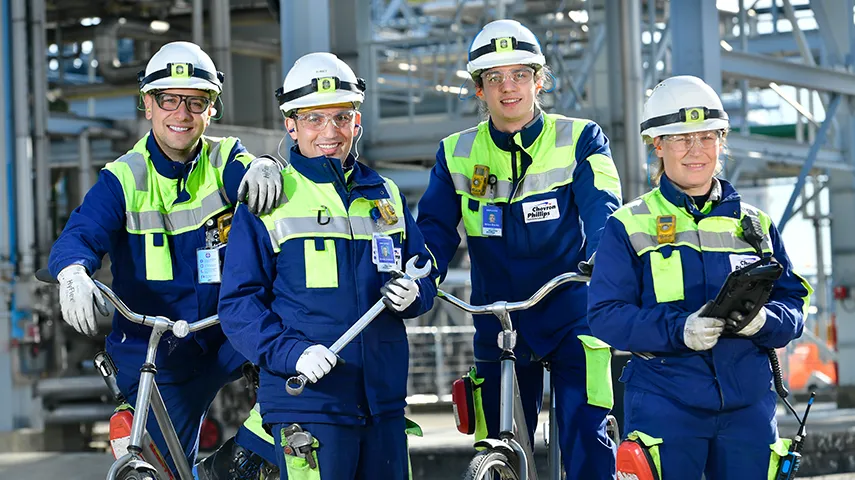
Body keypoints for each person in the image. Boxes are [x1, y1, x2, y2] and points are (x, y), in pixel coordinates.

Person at [47, 41, 281, 479]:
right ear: (147, 106)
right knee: (157, 471)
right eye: (168, 99)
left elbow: (252, 174)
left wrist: (268, 164)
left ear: (212, 108)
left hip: (228, 335)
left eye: (195, 101)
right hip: (155, 352)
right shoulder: (122, 178)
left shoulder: (225, 158)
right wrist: (71, 271)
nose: (181, 113)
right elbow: (81, 233)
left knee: (297, 382)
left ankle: (237, 463)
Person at [217, 52, 438, 480]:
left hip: (384, 404)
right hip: (308, 406)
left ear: (357, 122)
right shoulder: (267, 202)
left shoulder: (385, 193)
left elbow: (422, 268)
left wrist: (416, 293)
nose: (330, 132)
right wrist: (292, 354)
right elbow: (239, 306)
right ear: (291, 125)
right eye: (314, 119)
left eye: (340, 117)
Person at [416, 19, 621, 479]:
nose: (508, 88)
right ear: (479, 90)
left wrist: (607, 255)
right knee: (499, 437)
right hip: (498, 317)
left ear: (539, 80)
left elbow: (604, 208)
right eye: (494, 78)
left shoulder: (581, 138)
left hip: (571, 311)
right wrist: (420, 273)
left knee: (586, 436)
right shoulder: (456, 153)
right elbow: (433, 230)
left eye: (520, 75)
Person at [587, 75, 814, 479]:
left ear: (721, 142)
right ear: (657, 144)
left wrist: (765, 321)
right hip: (665, 404)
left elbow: (795, 304)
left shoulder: (756, 225)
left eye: (707, 137)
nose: (696, 151)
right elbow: (605, 315)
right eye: (681, 139)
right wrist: (681, 330)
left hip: (747, 407)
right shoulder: (628, 225)